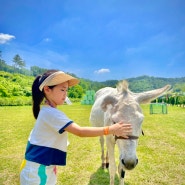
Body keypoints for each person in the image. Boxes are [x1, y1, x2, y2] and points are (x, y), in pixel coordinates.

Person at [20, 69, 132, 185]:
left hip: (42, 165)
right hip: (37, 170)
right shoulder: (51, 113)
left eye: (67, 90)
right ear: (47, 89)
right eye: (62, 89)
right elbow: (80, 131)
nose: (65, 94)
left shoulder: (48, 111)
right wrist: (111, 129)